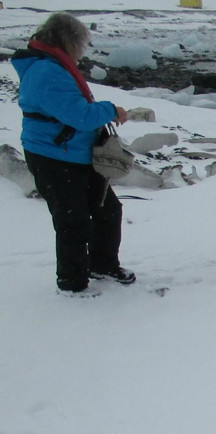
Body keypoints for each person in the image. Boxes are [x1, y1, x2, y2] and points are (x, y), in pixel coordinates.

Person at [13, 12, 134, 296]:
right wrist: (110, 109)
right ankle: (72, 284)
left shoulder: (52, 65)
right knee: (73, 222)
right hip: (54, 157)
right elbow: (78, 115)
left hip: (73, 153)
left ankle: (102, 265)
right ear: (67, 41)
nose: (81, 51)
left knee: (108, 210)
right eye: (80, 44)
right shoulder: (46, 71)